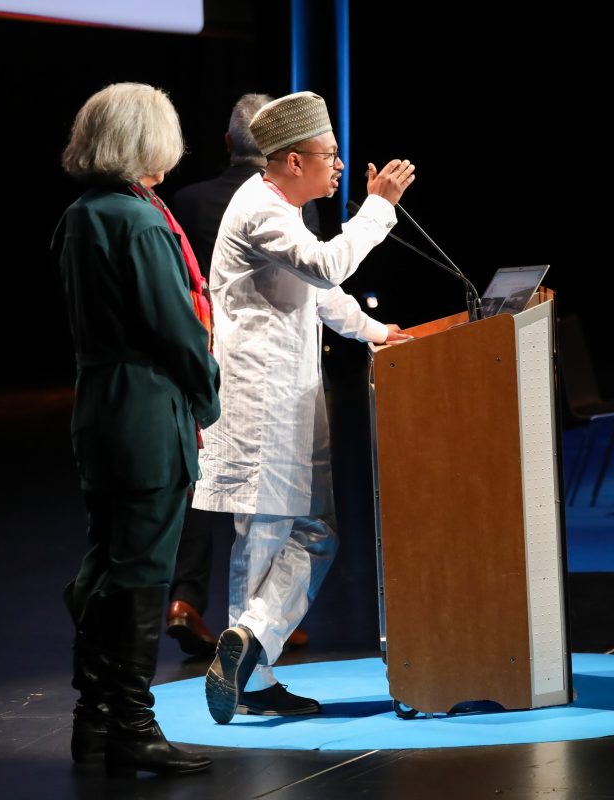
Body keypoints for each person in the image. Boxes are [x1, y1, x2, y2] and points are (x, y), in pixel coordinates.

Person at [193, 90, 415, 724]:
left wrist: (378, 333)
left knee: (317, 531)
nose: (340, 165)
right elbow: (324, 266)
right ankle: (251, 673)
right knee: (264, 537)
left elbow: (322, 294)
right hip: (259, 404)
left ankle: (249, 642)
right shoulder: (259, 209)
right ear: (294, 161)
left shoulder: (285, 209)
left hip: (293, 399)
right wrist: (378, 209)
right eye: (330, 154)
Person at [54, 82, 220, 776]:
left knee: (110, 559)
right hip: (147, 405)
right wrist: (207, 394)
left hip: (100, 402)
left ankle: (94, 721)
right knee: (143, 568)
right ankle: (132, 725)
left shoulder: (82, 214)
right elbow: (174, 328)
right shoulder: (140, 221)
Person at [165, 93, 311, 656]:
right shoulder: (285, 203)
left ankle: (186, 599)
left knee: (201, 480)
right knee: (261, 501)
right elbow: (314, 281)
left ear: (227, 142)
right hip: (262, 366)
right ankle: (259, 621)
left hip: (195, 354)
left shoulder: (187, 200)